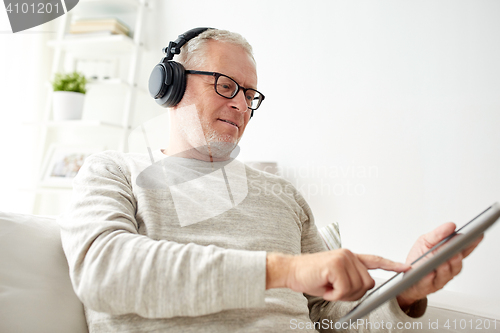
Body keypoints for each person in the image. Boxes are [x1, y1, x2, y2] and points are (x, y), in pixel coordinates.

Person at [58, 28, 482, 333]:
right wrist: (283, 270)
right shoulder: (112, 171)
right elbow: (105, 272)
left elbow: (335, 320)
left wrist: (407, 292)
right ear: (171, 86)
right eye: (226, 87)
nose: (242, 106)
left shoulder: (282, 195)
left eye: (250, 95)